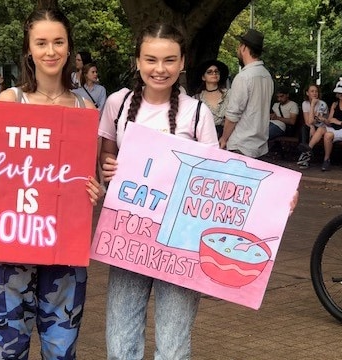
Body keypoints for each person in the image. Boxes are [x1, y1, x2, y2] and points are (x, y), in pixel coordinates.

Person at [0, 9, 103, 360]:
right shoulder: (10, 101)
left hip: (63, 255)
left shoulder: (83, 108)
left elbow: (88, 177)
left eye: (58, 42)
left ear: (69, 49)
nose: (50, 51)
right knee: (8, 352)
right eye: (41, 43)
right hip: (8, 253)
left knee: (61, 352)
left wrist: (96, 191)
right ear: (29, 50)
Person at [99, 23, 219, 359]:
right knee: (121, 340)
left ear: (183, 63)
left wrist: (277, 200)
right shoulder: (117, 104)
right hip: (128, 234)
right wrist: (108, 166)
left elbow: (216, 179)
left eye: (169, 60)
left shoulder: (198, 113)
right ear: (137, 61)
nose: (160, 69)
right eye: (151, 59)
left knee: (173, 344)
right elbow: (106, 154)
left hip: (181, 242)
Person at [220, 28, 274, 159]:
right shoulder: (267, 76)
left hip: (240, 145)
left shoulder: (243, 77)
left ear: (244, 47)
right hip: (260, 146)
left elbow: (233, 115)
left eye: (239, 46)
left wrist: (224, 139)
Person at [318, 79, 342, 171]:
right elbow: (330, 121)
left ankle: (326, 160)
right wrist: (324, 120)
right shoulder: (335, 104)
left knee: (328, 135)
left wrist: (339, 122)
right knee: (321, 129)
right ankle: (308, 150)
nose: (340, 94)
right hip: (334, 128)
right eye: (338, 93)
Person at [193, 59, 230, 138]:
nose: (214, 74)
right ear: (203, 77)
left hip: (228, 138)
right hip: (205, 139)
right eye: (209, 72)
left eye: (216, 71)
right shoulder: (196, 99)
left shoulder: (229, 95)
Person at [296, 84, 329, 169]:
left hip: (322, 127)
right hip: (311, 126)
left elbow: (315, 120)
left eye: (316, 91)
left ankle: (305, 155)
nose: (315, 93)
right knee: (303, 128)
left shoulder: (322, 104)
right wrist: (311, 127)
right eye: (312, 91)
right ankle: (305, 152)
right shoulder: (305, 103)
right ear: (307, 93)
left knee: (307, 128)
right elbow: (308, 121)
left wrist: (313, 105)